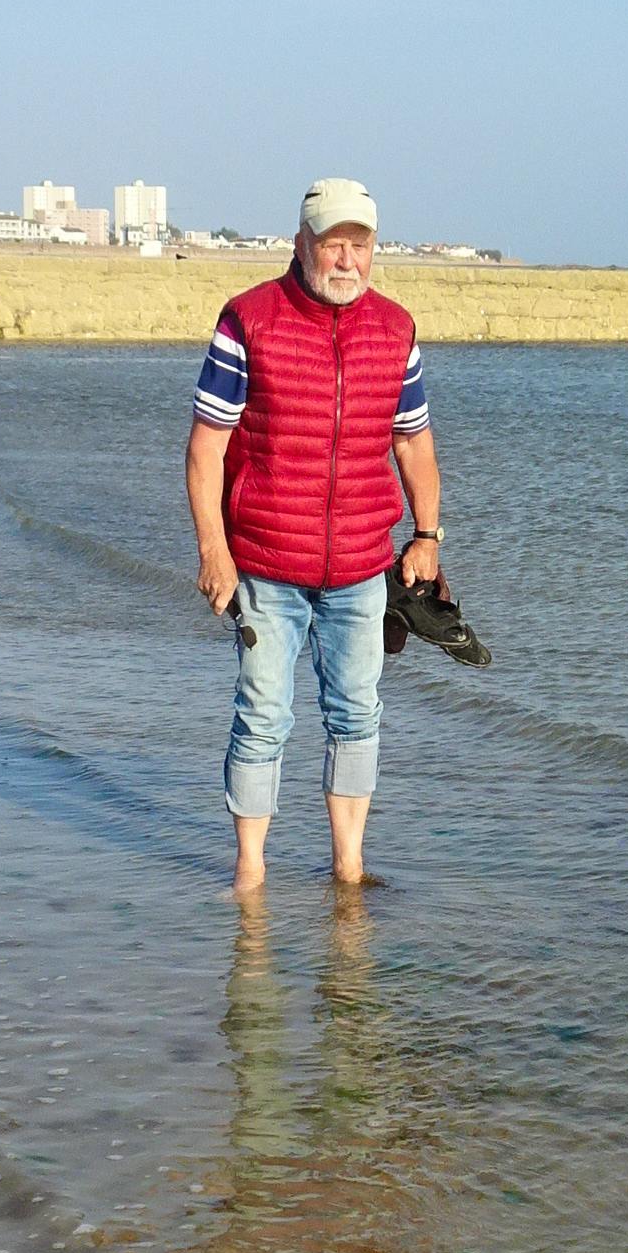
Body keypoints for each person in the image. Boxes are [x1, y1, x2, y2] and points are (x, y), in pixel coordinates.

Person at [184, 176, 444, 892]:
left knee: (358, 714)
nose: (346, 260)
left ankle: (349, 866)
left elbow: (413, 443)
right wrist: (214, 552)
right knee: (263, 717)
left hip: (361, 569)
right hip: (265, 564)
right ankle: (250, 872)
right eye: (332, 243)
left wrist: (428, 536)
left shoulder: (395, 330)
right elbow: (206, 447)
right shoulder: (248, 321)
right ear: (301, 245)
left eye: (359, 245)